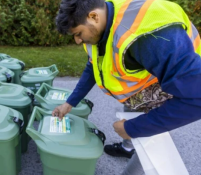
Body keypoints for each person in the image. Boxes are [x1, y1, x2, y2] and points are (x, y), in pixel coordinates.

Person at [54, 0, 201, 174]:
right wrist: (70, 102)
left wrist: (133, 128)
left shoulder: (147, 38)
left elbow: (196, 99)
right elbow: (93, 66)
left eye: (78, 33)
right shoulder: (104, 19)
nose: (78, 41)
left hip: (172, 86)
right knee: (133, 121)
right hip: (143, 84)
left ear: (93, 16)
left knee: (149, 140)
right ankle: (127, 148)